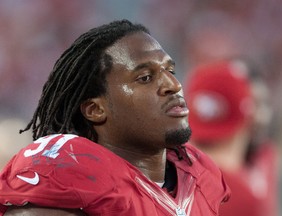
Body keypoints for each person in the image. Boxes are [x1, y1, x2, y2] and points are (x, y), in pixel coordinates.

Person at [0, 20, 230, 216]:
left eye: (170, 71)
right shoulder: (64, 173)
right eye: (146, 77)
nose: (174, 85)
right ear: (95, 109)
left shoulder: (200, 173)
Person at [184, 59, 279, 216]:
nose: (260, 115)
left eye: (262, 103)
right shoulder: (241, 196)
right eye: (255, 102)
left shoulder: (266, 157)